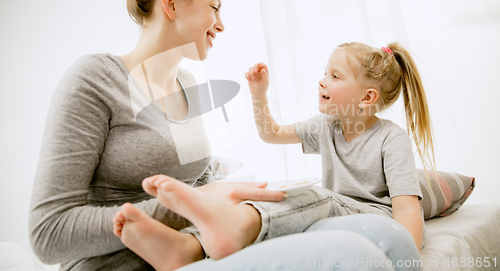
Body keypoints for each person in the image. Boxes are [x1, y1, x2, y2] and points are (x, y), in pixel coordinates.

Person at [28, 0, 286, 270]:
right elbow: (49, 234)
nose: (221, 24)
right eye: (214, 6)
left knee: (306, 205)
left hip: (195, 251)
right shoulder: (94, 78)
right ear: (171, 3)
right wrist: (191, 205)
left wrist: (225, 195)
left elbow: (197, 182)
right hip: (117, 263)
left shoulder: (189, 84)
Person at [112, 41, 432, 271]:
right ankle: (191, 247)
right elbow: (271, 133)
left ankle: (209, 239)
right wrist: (259, 95)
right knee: (291, 200)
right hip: (337, 216)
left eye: (335, 76)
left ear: (367, 97)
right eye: (325, 72)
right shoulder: (326, 126)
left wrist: (407, 258)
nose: (322, 80)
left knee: (316, 197)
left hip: (372, 219)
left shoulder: (392, 140)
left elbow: (407, 209)